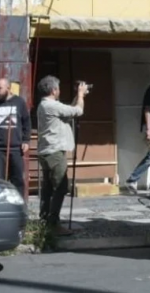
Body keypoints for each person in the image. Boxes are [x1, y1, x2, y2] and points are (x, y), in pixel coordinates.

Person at [36, 75, 87, 235]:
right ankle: (53, 222)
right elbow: (78, 111)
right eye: (57, 88)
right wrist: (80, 96)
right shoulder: (50, 106)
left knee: (48, 188)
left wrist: (77, 97)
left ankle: (45, 220)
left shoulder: (46, 105)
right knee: (61, 186)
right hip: (54, 152)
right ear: (53, 90)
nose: (59, 90)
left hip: (48, 151)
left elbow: (68, 112)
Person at [0, 78, 31, 192]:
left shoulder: (19, 102)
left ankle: (19, 206)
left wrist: (26, 140)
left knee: (18, 180)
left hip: (16, 148)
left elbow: (27, 123)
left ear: (8, 88)